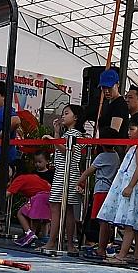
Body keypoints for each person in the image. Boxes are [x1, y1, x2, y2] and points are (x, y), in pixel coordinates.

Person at [97, 115, 138, 266]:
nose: (128, 132)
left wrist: (130, 186)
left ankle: (122, 255)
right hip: (133, 186)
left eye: (132, 129)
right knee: (137, 225)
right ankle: (137, 255)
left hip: (132, 186)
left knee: (129, 224)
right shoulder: (137, 146)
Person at [44, 104, 85, 255]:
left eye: (66, 113)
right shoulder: (70, 134)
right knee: (67, 210)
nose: (63, 115)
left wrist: (53, 139)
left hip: (65, 174)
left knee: (56, 208)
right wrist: (56, 134)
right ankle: (68, 244)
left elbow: (69, 151)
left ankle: (52, 242)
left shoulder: (74, 134)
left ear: (75, 117)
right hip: (66, 173)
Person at [78, 143, 121, 260]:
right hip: (111, 190)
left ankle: (100, 249)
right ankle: (106, 245)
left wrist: (78, 182)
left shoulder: (102, 156)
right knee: (107, 221)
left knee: (102, 221)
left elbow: (88, 171)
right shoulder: (115, 155)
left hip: (101, 189)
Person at [10, 154, 53, 248]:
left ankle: (29, 233)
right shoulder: (34, 176)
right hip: (49, 196)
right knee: (38, 218)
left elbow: (8, 193)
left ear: (15, 170)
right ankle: (36, 236)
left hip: (39, 197)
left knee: (20, 213)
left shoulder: (19, 179)